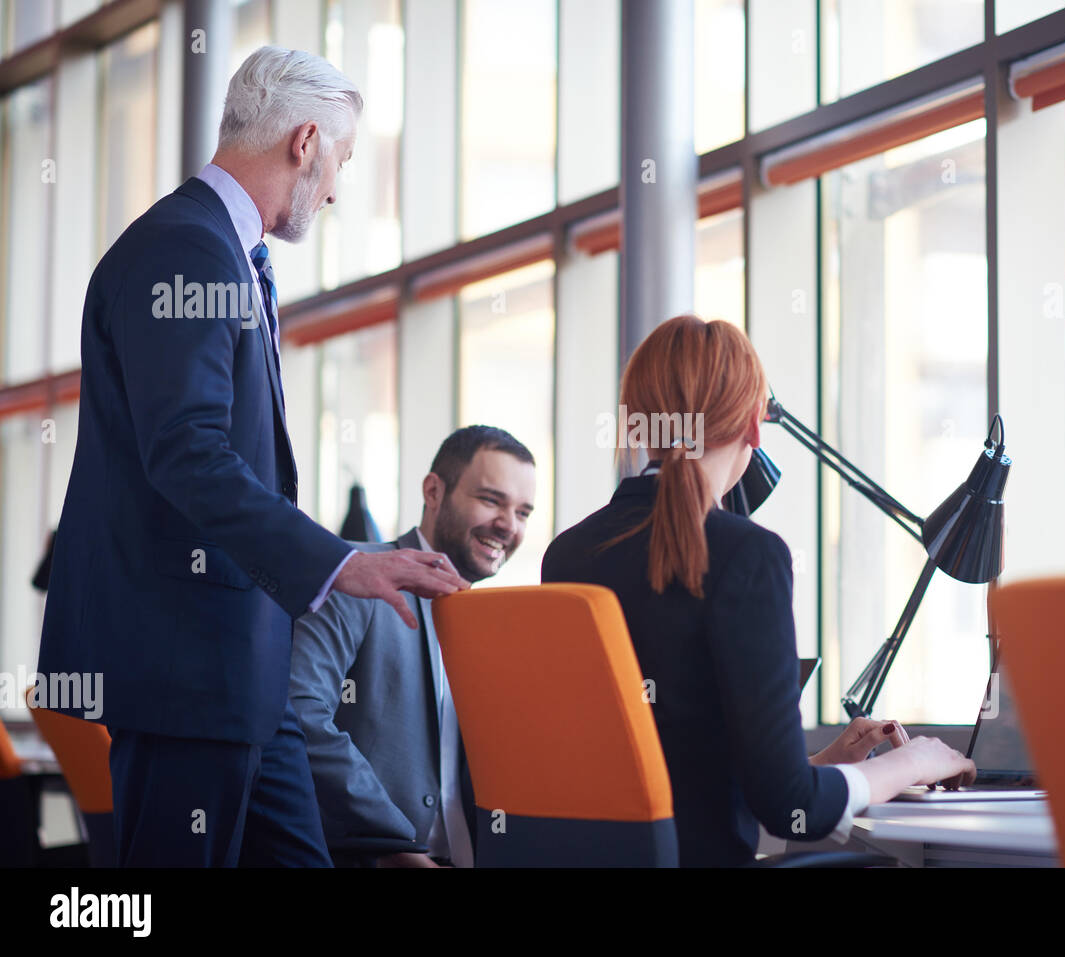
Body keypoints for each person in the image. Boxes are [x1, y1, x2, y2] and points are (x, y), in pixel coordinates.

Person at [36, 47, 468, 868]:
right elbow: (187, 453)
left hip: (242, 668)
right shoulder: (187, 250)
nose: (337, 187)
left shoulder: (222, 254)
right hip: (188, 666)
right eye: (340, 159)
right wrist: (341, 563)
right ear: (306, 142)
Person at [542, 314, 975, 867]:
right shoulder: (747, 554)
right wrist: (912, 764)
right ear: (753, 427)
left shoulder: (568, 554)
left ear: (636, 425)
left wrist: (810, 763)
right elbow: (791, 809)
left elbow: (665, 762)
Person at [290, 427, 536, 868]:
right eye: (491, 500)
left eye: (523, 512)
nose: (508, 525)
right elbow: (300, 711)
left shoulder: (499, 622)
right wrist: (393, 844)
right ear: (434, 491)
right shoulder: (357, 577)